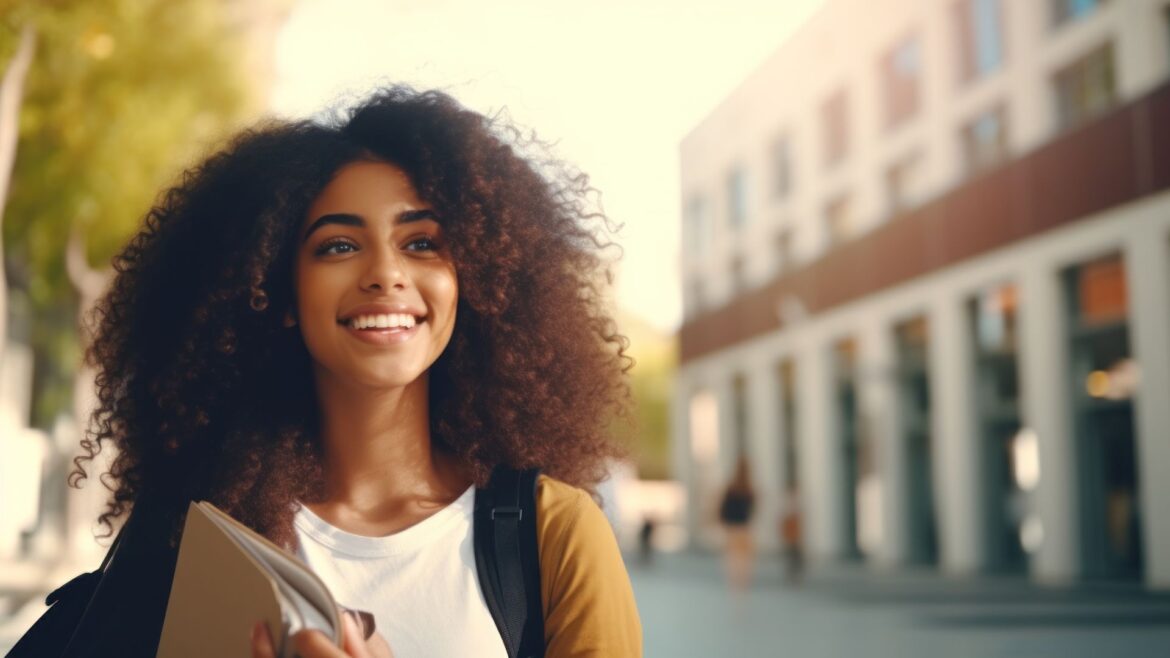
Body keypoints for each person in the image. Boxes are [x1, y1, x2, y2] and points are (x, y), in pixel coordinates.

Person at [49, 87, 642, 657]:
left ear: (477, 280)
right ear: (277, 294)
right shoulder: (199, 539)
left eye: (422, 242)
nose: (386, 272)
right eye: (338, 246)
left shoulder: (552, 533)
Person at [718, 456, 756, 594]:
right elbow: (752, 509)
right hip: (743, 528)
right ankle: (742, 586)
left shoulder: (732, 488)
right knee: (744, 561)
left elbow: (724, 508)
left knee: (733, 560)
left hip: (733, 528)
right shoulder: (749, 488)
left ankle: (735, 587)